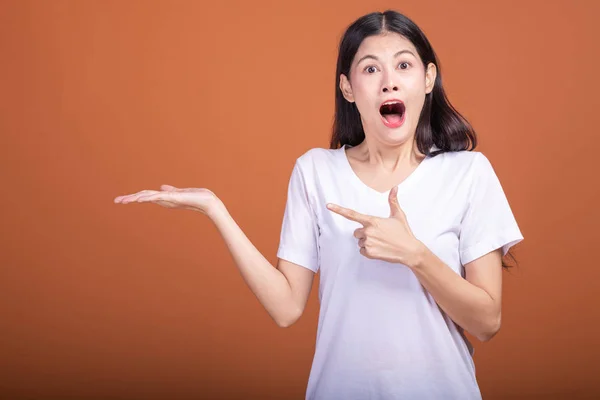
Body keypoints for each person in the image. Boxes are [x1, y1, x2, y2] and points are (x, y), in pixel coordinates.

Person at [114, 9, 524, 400]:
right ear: (348, 87)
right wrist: (214, 208)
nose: (389, 82)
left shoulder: (469, 173)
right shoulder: (315, 172)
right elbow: (286, 307)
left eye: (403, 65)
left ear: (428, 78)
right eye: (370, 69)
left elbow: (487, 322)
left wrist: (414, 255)